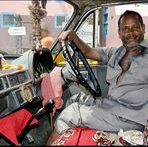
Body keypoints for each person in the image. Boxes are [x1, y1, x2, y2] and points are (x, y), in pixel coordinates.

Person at [46, 10, 148, 145]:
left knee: (72, 113)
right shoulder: (115, 53)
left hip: (130, 118)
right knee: (74, 99)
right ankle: (70, 137)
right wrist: (73, 36)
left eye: (135, 27)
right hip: (111, 106)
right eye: (125, 29)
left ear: (143, 29)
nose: (130, 32)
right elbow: (88, 51)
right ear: (119, 32)